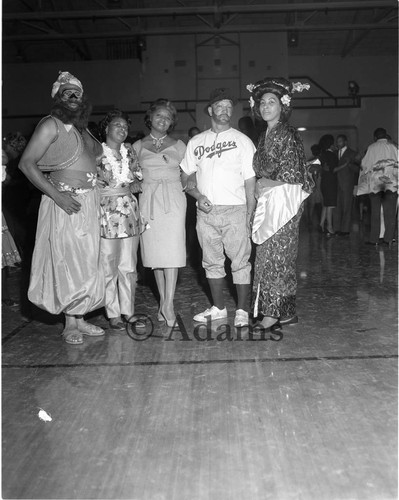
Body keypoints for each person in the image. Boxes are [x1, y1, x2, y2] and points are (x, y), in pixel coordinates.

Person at [18, 71, 105, 345]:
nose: (73, 97)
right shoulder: (50, 124)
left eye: (77, 93)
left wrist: (97, 178)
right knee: (68, 262)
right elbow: (26, 164)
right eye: (67, 92)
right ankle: (70, 323)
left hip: (89, 204)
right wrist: (58, 196)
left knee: (87, 262)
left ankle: (80, 317)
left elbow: (88, 160)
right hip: (65, 203)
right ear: (58, 96)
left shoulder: (82, 128)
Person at [180, 88, 256, 328]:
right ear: (210, 110)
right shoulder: (196, 142)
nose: (225, 111)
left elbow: (250, 180)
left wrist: (250, 212)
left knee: (240, 262)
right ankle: (219, 308)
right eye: (220, 107)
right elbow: (185, 175)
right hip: (206, 211)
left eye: (229, 107)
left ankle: (242, 310)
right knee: (210, 261)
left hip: (235, 209)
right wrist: (197, 195)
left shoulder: (242, 141)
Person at [246, 77, 313, 329]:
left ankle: (271, 314)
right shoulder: (265, 134)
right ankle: (285, 311)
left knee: (278, 257)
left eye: (271, 102)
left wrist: (265, 183)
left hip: (283, 203)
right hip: (270, 202)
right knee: (269, 256)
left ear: (282, 106)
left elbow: (295, 173)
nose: (265, 107)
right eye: (262, 102)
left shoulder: (288, 133)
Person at [132, 99, 187, 326]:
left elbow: (189, 173)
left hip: (173, 198)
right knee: (156, 254)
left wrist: (189, 185)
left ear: (172, 122)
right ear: (150, 118)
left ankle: (168, 304)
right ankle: (163, 301)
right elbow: (131, 175)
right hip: (149, 199)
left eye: (168, 117)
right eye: (159, 116)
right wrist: (133, 185)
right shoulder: (136, 146)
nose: (163, 120)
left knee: (172, 251)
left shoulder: (180, 145)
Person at [97, 110, 144, 330]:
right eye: (117, 125)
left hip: (129, 213)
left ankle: (128, 311)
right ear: (106, 128)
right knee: (108, 265)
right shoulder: (96, 152)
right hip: (105, 212)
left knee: (129, 265)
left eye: (125, 126)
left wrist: (135, 184)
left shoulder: (130, 151)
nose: (122, 130)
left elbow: (138, 177)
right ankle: (113, 313)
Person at [357, 127, 398, 246]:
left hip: (376, 185)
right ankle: (389, 239)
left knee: (375, 213)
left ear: (375, 137)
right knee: (390, 214)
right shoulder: (394, 147)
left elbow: (365, 165)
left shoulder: (372, 147)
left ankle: (374, 239)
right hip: (391, 185)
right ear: (386, 135)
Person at [333, 134, 359, 236]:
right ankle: (337, 228)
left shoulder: (352, 153)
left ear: (345, 142)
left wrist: (349, 164)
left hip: (347, 183)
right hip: (336, 183)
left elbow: (357, 169)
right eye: (337, 141)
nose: (338, 143)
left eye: (340, 141)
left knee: (347, 206)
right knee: (337, 206)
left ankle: (345, 229)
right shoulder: (335, 153)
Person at [319, 134, 338, 237]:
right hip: (331, 182)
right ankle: (329, 227)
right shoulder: (332, 156)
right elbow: (333, 169)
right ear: (331, 144)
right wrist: (345, 164)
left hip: (324, 182)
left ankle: (321, 224)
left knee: (326, 204)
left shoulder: (323, 154)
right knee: (330, 205)